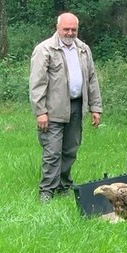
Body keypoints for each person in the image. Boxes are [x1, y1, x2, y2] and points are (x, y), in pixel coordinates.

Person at [29, 12, 103, 203]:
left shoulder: (83, 49)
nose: (70, 33)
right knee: (52, 151)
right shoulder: (44, 49)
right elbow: (37, 84)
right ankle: (47, 191)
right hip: (52, 109)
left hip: (77, 106)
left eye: (74, 29)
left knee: (70, 149)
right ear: (57, 28)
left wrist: (95, 107)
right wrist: (40, 112)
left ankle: (64, 186)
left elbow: (92, 79)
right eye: (66, 29)